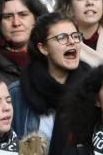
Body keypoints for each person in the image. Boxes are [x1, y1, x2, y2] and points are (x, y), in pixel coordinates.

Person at [9, 12, 88, 142]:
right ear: (43, 48)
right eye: (62, 38)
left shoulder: (93, 88)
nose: (72, 42)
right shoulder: (17, 93)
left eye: (75, 36)